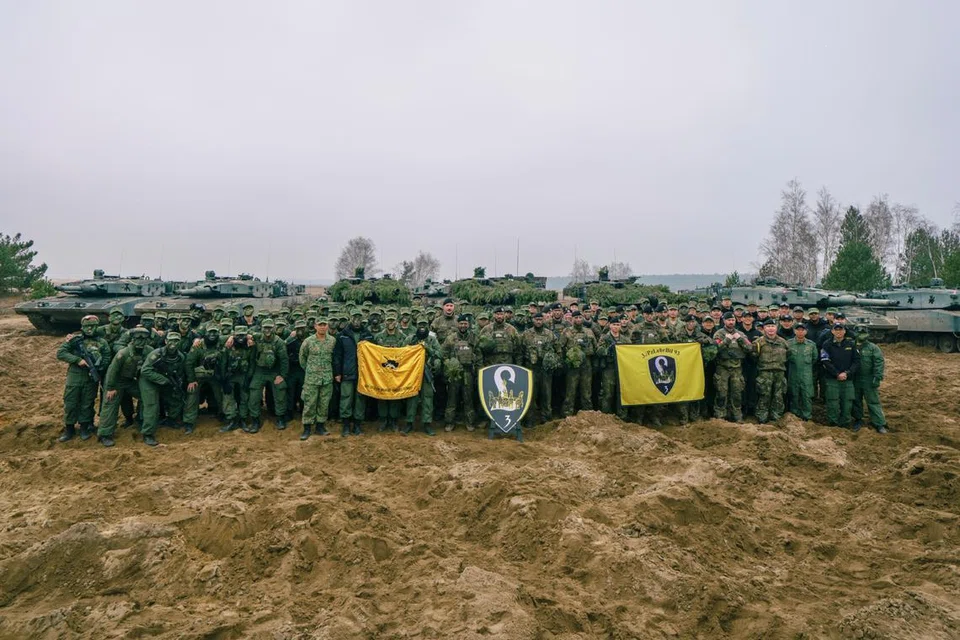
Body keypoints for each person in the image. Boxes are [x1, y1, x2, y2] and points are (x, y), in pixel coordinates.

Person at [56, 314, 111, 442]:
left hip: (91, 377)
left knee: (87, 403)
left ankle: (84, 427)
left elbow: (107, 357)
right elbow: (61, 353)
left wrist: (99, 366)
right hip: (75, 376)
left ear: (97, 327)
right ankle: (69, 428)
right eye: (87, 326)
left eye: (93, 326)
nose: (90, 329)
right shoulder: (75, 340)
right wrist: (77, 360)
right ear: (82, 327)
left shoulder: (102, 342)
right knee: (71, 403)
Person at [96, 326, 152, 447]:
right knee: (110, 404)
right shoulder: (123, 353)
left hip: (130, 381)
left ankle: (141, 420)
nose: (140, 342)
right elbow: (112, 371)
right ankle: (105, 434)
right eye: (137, 338)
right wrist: (110, 388)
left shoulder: (148, 351)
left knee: (147, 396)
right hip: (115, 381)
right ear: (132, 339)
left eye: (143, 339)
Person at [139, 331, 187, 446]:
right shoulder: (156, 354)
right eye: (171, 340)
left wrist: (176, 383)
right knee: (152, 405)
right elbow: (145, 371)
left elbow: (179, 373)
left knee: (176, 398)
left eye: (176, 341)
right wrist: (163, 380)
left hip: (166, 380)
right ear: (166, 341)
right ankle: (148, 434)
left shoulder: (180, 357)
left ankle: (171, 419)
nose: (173, 343)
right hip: (148, 380)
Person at [244, 319, 289, 433]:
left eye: (270, 327)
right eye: (265, 328)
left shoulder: (278, 342)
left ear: (273, 328)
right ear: (262, 328)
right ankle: (255, 420)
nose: (267, 330)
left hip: (274, 371)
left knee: (280, 392)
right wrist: (248, 337)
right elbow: (243, 333)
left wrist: (282, 375)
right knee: (254, 394)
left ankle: (280, 418)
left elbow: (284, 360)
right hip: (260, 370)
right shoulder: (257, 337)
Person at [334, 310, 373, 437]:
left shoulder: (368, 335)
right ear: (350, 318)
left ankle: (357, 425)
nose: (356, 321)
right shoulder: (342, 335)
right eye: (354, 318)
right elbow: (337, 356)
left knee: (360, 400)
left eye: (359, 318)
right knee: (346, 398)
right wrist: (337, 373)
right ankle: (345, 425)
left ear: (362, 319)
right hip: (347, 373)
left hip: (363, 374)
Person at [183, 324, 226, 435]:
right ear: (205, 333)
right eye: (210, 332)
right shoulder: (198, 345)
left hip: (214, 375)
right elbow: (189, 363)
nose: (212, 335)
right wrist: (192, 380)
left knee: (221, 394)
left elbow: (235, 336)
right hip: (199, 375)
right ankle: (189, 421)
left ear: (218, 333)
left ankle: (223, 414)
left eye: (215, 332)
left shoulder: (221, 342)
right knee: (192, 394)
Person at [298, 318, 337, 439]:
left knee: (324, 403)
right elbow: (302, 358)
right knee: (310, 403)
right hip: (312, 379)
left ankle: (320, 426)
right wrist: (310, 370)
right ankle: (307, 428)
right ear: (315, 326)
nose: (322, 327)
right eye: (320, 325)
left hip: (326, 378)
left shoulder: (332, 341)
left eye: (324, 325)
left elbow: (334, 358)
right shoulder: (308, 341)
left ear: (327, 326)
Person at [520, 312, 561, 425]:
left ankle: (546, 418)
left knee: (546, 394)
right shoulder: (526, 334)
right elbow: (520, 351)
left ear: (543, 320)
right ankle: (530, 419)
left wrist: (553, 362)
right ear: (532, 320)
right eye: (536, 319)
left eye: (540, 319)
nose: (538, 321)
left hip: (545, 370)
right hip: (531, 369)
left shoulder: (550, 334)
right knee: (531, 395)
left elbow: (558, 350)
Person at [404, 319, 443, 436]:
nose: (422, 327)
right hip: (412, 373)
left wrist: (427, 348)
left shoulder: (432, 339)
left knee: (427, 398)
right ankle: (409, 423)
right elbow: (402, 353)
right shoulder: (410, 339)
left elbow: (439, 354)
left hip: (427, 372)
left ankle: (427, 424)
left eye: (424, 325)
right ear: (416, 325)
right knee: (412, 398)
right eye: (420, 324)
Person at [442, 314, 480, 431]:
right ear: (457, 324)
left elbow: (479, 355)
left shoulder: (474, 338)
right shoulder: (451, 338)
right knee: (452, 398)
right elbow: (443, 353)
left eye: (465, 323)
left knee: (468, 398)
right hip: (455, 373)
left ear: (468, 325)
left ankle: (470, 422)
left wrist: (478, 371)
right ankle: (449, 422)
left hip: (468, 372)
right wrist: (449, 365)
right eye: (461, 323)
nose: (463, 325)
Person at [712, 312, 752, 423]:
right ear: (724, 321)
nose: (731, 322)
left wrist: (739, 339)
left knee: (737, 393)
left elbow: (749, 347)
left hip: (736, 368)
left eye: (733, 320)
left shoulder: (740, 334)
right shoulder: (719, 333)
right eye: (728, 320)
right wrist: (727, 340)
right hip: (723, 367)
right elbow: (715, 349)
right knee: (721, 393)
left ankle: (737, 415)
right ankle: (720, 415)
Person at [820, 323, 860, 429]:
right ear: (832, 331)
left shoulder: (851, 344)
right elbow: (825, 361)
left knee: (847, 403)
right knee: (832, 403)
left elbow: (856, 361)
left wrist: (847, 373)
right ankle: (833, 424)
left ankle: (845, 424)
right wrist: (837, 374)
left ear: (844, 331)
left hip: (848, 379)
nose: (838, 332)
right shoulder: (826, 344)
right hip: (832, 379)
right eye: (836, 330)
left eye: (841, 330)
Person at [374, 312, 407, 432]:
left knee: (395, 396)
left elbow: (405, 353)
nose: (390, 323)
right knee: (382, 395)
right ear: (385, 322)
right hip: (382, 371)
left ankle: (393, 420)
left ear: (396, 322)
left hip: (396, 371)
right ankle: (383, 420)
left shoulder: (402, 337)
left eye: (393, 320)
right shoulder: (379, 337)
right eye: (388, 320)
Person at [560, 311, 598, 416]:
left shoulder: (589, 331)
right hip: (572, 366)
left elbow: (595, 347)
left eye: (580, 317)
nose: (578, 320)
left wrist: (594, 364)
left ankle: (588, 414)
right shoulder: (566, 332)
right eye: (576, 317)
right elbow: (560, 348)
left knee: (586, 391)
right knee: (570, 391)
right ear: (572, 319)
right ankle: (567, 414)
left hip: (587, 364)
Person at [852, 325, 888, 433]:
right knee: (856, 400)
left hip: (869, 378)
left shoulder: (873, 348)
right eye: (859, 332)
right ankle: (858, 420)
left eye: (864, 332)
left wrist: (877, 377)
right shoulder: (851, 346)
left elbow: (879, 362)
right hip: (854, 378)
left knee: (873, 401)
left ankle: (879, 423)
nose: (861, 334)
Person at [754, 319, 789, 424]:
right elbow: (753, 357)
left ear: (776, 328)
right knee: (764, 395)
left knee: (778, 396)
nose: (770, 329)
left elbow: (788, 355)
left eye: (773, 326)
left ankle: (776, 417)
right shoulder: (758, 342)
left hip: (779, 373)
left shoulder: (783, 342)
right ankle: (762, 418)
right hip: (764, 373)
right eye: (768, 326)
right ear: (764, 329)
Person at [597, 316, 630, 420]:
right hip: (609, 368)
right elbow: (598, 351)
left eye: (618, 325)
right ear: (610, 325)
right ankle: (606, 417)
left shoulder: (625, 339)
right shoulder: (605, 338)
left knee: (622, 393)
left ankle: (622, 416)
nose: (616, 327)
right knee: (608, 393)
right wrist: (607, 350)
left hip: (622, 368)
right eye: (614, 324)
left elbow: (631, 351)